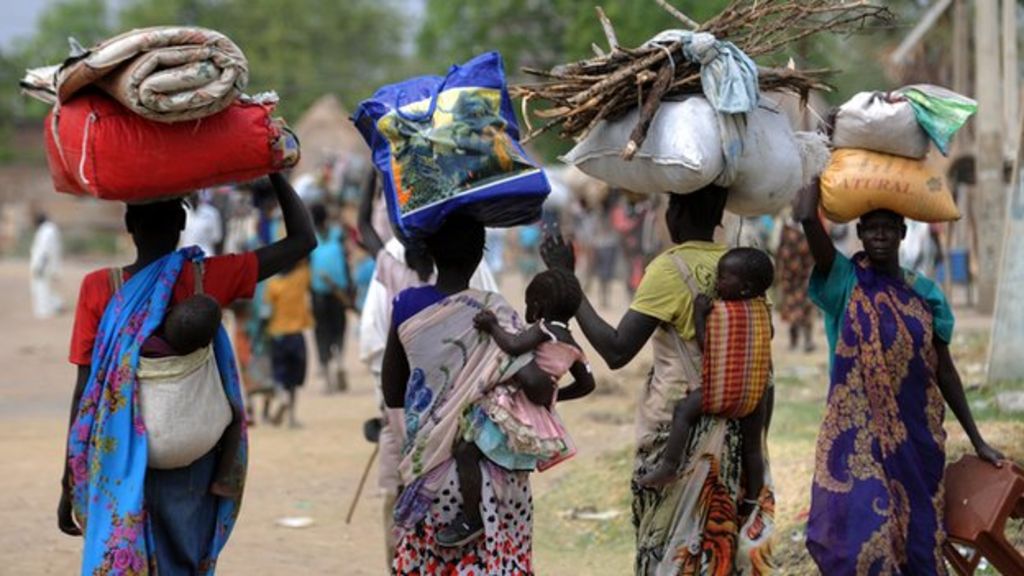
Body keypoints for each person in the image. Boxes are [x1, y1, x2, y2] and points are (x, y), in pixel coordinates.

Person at [59, 173, 315, 575]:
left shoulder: (99, 289)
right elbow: (303, 240)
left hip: (116, 455)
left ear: (129, 226)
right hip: (192, 454)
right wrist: (273, 172)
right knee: (183, 562)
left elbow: (85, 392)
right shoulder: (207, 278)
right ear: (182, 225)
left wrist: (69, 480)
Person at [541, 185, 775, 575]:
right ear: (719, 214)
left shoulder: (670, 268)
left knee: (673, 551)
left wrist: (567, 281)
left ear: (677, 213)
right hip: (740, 425)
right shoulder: (746, 266)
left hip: (682, 434)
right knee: (721, 546)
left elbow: (616, 351)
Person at [793, 178, 1005, 574]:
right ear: (858, 232)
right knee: (857, 535)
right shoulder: (844, 280)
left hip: (916, 438)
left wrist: (978, 439)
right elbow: (806, 216)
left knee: (914, 542)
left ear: (903, 233)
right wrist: (820, 162)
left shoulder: (925, 293)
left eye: (888, 227)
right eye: (871, 227)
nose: (879, 235)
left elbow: (943, 368)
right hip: (856, 437)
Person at [382, 214, 534, 574]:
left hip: (426, 468)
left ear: (430, 250)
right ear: (480, 255)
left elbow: (393, 390)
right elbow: (532, 378)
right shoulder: (494, 311)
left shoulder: (406, 305)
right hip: (492, 471)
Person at [437, 269, 595, 547]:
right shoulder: (574, 346)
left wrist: (491, 325)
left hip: (513, 407)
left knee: (465, 452)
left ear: (538, 306)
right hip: (535, 417)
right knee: (507, 468)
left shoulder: (543, 330)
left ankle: (470, 520)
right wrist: (554, 400)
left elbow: (512, 345)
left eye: (528, 303)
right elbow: (587, 384)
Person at [637, 248, 774, 521]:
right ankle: (752, 497)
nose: (717, 282)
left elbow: (707, 347)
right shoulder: (761, 311)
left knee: (684, 411)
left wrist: (700, 314)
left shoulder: (723, 314)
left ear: (745, 287)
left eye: (724, 278)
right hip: (755, 395)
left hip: (721, 391)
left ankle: (669, 465)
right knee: (752, 447)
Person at [142, 294, 243, 498]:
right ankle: (223, 479)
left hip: (146, 450)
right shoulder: (201, 351)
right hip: (199, 449)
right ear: (207, 342)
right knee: (237, 416)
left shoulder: (146, 344)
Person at [309, 204, 353, 393]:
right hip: (329, 292)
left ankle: (332, 372)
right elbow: (346, 260)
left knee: (327, 331)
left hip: (327, 292)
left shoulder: (318, 238)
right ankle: (335, 367)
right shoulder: (333, 235)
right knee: (333, 329)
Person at [264, 259, 313, 428]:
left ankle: (282, 396)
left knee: (279, 374)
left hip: (277, 334)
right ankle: (292, 417)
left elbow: (266, 311)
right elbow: (305, 258)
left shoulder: (273, 285)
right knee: (295, 377)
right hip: (296, 334)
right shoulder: (300, 278)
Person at [775, 212, 817, 352]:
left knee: (805, 309)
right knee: (794, 310)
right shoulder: (786, 228)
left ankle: (807, 341)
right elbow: (781, 252)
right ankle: (796, 341)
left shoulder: (805, 227)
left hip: (804, 276)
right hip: (790, 277)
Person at [29, 211, 64, 318]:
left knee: (41, 286)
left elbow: (44, 250)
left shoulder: (46, 230)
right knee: (47, 287)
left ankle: (44, 310)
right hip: (48, 264)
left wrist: (40, 265)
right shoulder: (50, 229)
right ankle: (55, 305)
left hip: (43, 264)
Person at [181, 190, 223, 256]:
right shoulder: (183, 213)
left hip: (206, 255)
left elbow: (217, 238)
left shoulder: (212, 213)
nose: (193, 197)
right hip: (186, 257)